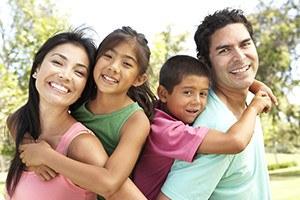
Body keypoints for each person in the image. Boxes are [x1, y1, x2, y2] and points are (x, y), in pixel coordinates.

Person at [18, 26, 156, 200]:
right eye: (108, 56)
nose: (113, 67)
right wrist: (26, 145)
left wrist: (46, 156)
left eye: (126, 64)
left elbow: (109, 182)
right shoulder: (80, 99)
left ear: (139, 79)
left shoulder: (135, 120)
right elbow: (17, 117)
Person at [159, 8, 273, 199]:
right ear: (206, 63)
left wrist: (255, 86)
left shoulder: (249, 101)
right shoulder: (215, 128)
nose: (240, 57)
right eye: (224, 50)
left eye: (245, 44)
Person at [133, 55, 272, 200]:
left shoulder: (160, 110)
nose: (197, 101)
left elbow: (214, 80)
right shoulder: (166, 131)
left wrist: (253, 84)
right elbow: (235, 142)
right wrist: (255, 107)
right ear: (163, 93)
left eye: (203, 93)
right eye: (187, 92)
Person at [5, 29, 101, 200]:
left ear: (83, 89)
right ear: (36, 69)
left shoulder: (82, 145)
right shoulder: (23, 125)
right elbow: (13, 119)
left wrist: (48, 157)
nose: (65, 75)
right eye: (57, 62)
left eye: (79, 72)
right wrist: (27, 147)